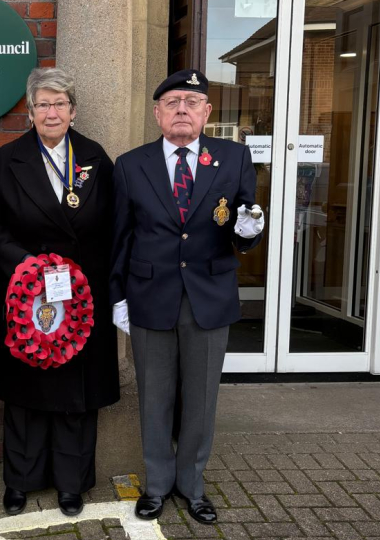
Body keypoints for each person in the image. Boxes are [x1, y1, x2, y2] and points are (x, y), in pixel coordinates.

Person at [110, 69, 265, 525]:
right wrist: (118, 295)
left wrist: (251, 231)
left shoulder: (234, 157)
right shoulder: (131, 164)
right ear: (157, 113)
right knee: (154, 396)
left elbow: (244, 221)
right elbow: (120, 237)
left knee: (201, 398)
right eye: (173, 102)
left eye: (191, 102)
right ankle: (157, 485)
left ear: (206, 113)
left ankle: (192, 485)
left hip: (209, 295)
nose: (182, 109)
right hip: (149, 294)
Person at [0, 67, 120, 518]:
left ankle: (71, 483)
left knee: (75, 394)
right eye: (43, 104)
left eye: (59, 103)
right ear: (31, 111)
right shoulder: (8, 159)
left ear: (73, 111)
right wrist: (24, 263)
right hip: (28, 292)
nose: (51, 111)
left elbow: (115, 225)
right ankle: (20, 481)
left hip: (82, 295)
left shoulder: (96, 159)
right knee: (26, 390)